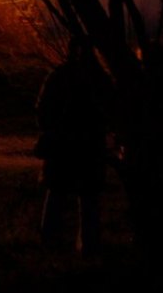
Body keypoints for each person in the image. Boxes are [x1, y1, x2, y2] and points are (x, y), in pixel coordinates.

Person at [36, 38, 110, 257]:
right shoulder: (99, 79)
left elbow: (43, 110)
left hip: (63, 145)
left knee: (58, 194)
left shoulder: (59, 76)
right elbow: (110, 110)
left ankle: (50, 244)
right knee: (88, 199)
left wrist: (50, 130)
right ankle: (89, 246)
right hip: (90, 146)